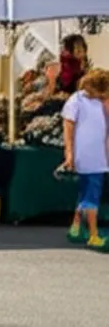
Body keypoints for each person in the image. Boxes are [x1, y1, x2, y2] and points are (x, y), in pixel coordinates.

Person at [61, 69, 109, 250]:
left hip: (98, 155)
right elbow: (68, 127)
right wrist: (69, 154)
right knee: (92, 194)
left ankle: (75, 227)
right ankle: (94, 235)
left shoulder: (87, 100)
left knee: (85, 191)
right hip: (92, 156)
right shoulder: (77, 100)